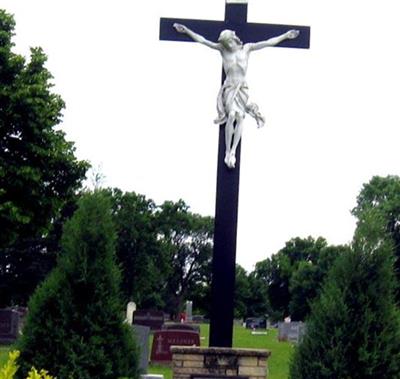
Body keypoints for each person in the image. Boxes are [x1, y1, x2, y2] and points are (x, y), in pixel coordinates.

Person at [173, 23, 299, 168]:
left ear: (234, 39)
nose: (228, 45)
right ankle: (227, 150)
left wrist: (285, 36)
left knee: (240, 117)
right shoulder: (222, 50)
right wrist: (187, 31)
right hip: (230, 87)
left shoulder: (247, 48)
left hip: (242, 89)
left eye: (229, 42)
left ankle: (233, 151)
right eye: (225, 43)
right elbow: (203, 41)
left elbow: (268, 42)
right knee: (232, 115)